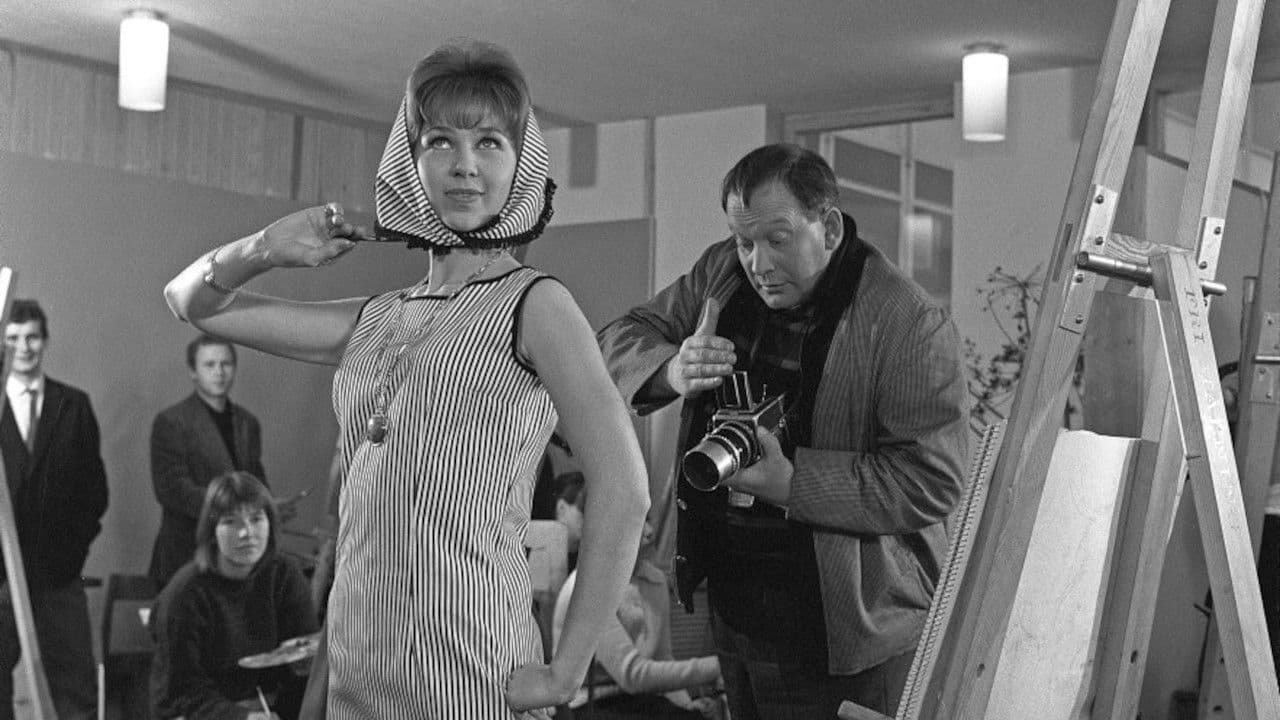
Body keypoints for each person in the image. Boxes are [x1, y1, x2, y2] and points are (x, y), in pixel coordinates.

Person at [162, 39, 649, 719]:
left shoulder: (536, 305)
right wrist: (265, 247)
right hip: (356, 664)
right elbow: (190, 302)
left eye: (489, 143)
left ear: (522, 162)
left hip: (472, 668)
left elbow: (625, 490)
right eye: (441, 142)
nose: (465, 165)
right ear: (409, 159)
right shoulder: (374, 317)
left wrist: (566, 672)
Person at [597, 143, 969, 718]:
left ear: (829, 227)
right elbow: (616, 338)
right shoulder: (722, 272)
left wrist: (794, 484)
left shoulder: (907, 322)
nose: (758, 264)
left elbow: (932, 481)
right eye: (744, 241)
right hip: (736, 612)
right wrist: (673, 368)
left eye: (778, 239)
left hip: (847, 633)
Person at [0, 299, 109, 720]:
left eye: (31, 337)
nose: (23, 348)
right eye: (12, 338)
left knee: (75, 691)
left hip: (59, 576)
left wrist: (69, 554)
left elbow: (94, 493)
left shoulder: (73, 405)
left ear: (44, 341)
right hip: (1, 580)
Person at [150, 471, 317, 720]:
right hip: (198, 710)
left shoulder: (285, 574)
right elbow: (182, 689)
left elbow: (304, 657)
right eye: (231, 522)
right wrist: (242, 717)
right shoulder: (186, 592)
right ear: (211, 531)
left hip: (268, 704)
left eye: (256, 519)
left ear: (271, 523)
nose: (246, 533)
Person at [150, 335, 267, 590]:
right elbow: (172, 489)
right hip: (187, 552)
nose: (219, 372)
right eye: (210, 365)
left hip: (238, 554)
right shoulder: (172, 422)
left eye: (226, 364)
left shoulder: (247, 423)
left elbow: (255, 481)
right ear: (193, 371)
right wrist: (232, 506)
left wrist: (268, 504)